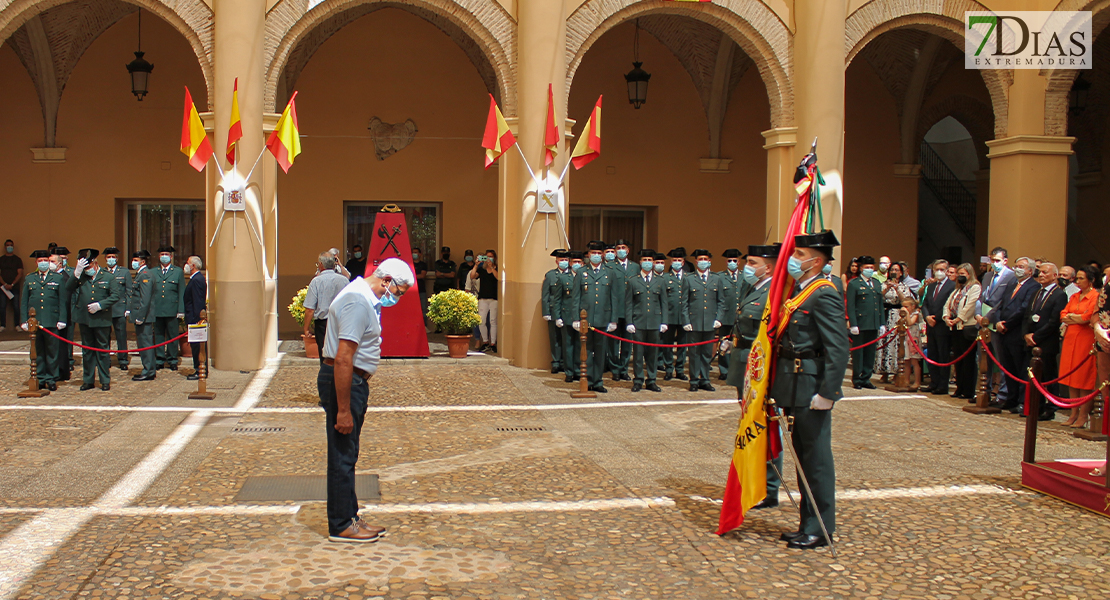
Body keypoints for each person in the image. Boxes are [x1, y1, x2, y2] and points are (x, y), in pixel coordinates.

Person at [319, 257, 413, 542]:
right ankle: (340, 524)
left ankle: (350, 516)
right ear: (386, 281)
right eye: (398, 292)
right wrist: (344, 410)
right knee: (342, 455)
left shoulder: (362, 299)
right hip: (346, 382)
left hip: (353, 381)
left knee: (349, 453)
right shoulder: (358, 303)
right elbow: (344, 358)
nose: (396, 298)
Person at [771, 230, 849, 550]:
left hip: (811, 386)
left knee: (816, 460)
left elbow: (838, 348)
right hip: (793, 384)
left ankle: (821, 527)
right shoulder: (801, 290)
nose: (792, 259)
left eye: (799, 255)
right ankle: (807, 522)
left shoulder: (824, 293)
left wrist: (828, 392)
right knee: (803, 458)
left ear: (816, 261)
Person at [726, 243, 782, 509]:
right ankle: (755, 483)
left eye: (751, 262)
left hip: (759, 367)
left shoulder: (774, 292)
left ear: (767, 267)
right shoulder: (753, 287)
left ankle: (769, 489)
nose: (746, 267)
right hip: (744, 364)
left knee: (764, 426)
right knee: (750, 425)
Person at [68, 249, 121, 391]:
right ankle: (88, 380)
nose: (87, 270)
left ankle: (105, 380)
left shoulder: (108, 277)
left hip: (101, 318)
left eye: (89, 267)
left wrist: (100, 305)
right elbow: (68, 288)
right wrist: (76, 273)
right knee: (87, 351)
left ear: (95, 263)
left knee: (103, 351)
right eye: (85, 268)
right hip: (85, 319)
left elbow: (115, 296)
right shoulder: (81, 277)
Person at [571, 241, 620, 393]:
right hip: (586, 320)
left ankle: (598, 381)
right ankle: (586, 379)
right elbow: (576, 297)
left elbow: (614, 298)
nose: (596, 256)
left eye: (599, 253)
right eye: (594, 253)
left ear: (603, 255)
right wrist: (575, 318)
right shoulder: (581, 272)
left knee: (600, 352)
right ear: (589, 255)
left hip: (603, 319)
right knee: (586, 350)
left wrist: (613, 319)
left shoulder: (610, 272)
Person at [990, 257, 1038, 412]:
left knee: (1020, 369)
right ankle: (1010, 398)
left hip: (1016, 331)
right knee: (1008, 367)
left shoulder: (1033, 286)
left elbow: (1024, 309)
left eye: (1022, 266)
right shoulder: (1012, 284)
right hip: (1003, 331)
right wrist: (997, 321)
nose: (1017, 269)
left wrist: (1007, 324)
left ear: (1030, 270)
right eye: (1016, 266)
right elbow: (1001, 305)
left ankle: (1021, 401)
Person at [1023, 262, 1068, 420]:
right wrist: (1026, 334)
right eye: (1040, 272)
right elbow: (1028, 315)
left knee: (1048, 376)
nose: (1041, 275)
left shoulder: (1059, 294)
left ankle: (1050, 407)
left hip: (1046, 342)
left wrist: (1036, 337)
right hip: (1031, 340)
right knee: (1035, 376)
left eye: (1045, 272)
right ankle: (1037, 406)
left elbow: (1054, 321)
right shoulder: (1037, 292)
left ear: (1054, 276)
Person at [1059, 265, 1100, 428]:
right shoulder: (1075, 296)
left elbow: (1088, 317)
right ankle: (1073, 414)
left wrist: (1074, 318)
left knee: (1083, 380)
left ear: (1091, 280)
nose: (1078, 281)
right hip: (1071, 339)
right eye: (1077, 278)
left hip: (1085, 339)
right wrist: (1074, 317)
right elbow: (1063, 314)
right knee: (1071, 378)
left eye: (1081, 278)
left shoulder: (1095, 296)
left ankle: (1083, 415)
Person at [20, 250, 66, 390]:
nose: (43, 263)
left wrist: (62, 319)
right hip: (36, 322)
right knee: (37, 351)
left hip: (51, 319)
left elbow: (62, 301)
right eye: (40, 261)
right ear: (36, 263)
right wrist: (24, 320)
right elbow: (24, 301)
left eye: (46, 260)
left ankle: (51, 378)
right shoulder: (30, 278)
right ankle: (39, 377)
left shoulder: (57, 278)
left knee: (52, 351)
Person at [681, 249, 724, 392]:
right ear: (696, 261)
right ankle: (694, 380)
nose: (703, 261)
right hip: (694, 323)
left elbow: (721, 302)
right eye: (700, 259)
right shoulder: (688, 279)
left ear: (710, 261)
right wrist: (686, 321)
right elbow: (684, 302)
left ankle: (705, 380)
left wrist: (719, 319)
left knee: (706, 353)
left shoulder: (716, 279)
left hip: (710, 323)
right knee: (693, 353)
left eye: (706, 259)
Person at [626, 249, 668, 392]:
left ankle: (651, 380)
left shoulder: (660, 281)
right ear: (640, 262)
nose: (648, 263)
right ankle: (638, 380)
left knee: (653, 354)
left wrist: (664, 322)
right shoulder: (633, 280)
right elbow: (629, 303)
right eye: (645, 260)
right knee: (638, 354)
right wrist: (629, 322)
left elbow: (664, 303)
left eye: (650, 260)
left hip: (655, 322)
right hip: (638, 322)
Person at [304, 252, 351, 365]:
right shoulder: (344, 280)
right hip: (341, 322)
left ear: (320, 265)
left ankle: (327, 377)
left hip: (323, 323)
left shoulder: (316, 281)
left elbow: (310, 308)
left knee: (325, 355)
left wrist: (306, 328)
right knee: (341, 353)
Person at [944, 263, 981, 400]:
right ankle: (959, 388)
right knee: (958, 359)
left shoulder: (975, 287)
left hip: (966, 326)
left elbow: (970, 305)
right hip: (954, 326)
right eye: (958, 274)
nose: (960, 277)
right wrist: (947, 317)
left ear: (969, 274)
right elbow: (948, 304)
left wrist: (959, 318)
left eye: (963, 274)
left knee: (968, 361)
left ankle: (968, 390)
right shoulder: (957, 290)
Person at [846, 255, 883, 389]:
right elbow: (851, 305)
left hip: (873, 323)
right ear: (861, 269)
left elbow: (879, 305)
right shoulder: (854, 284)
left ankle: (866, 378)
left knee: (870, 352)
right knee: (859, 353)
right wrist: (853, 323)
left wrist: (882, 322)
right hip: (860, 323)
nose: (869, 270)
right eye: (867, 267)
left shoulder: (876, 283)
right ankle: (857, 379)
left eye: (871, 267)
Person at [921, 261, 955, 394]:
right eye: (937, 269)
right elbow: (924, 304)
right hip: (930, 325)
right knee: (932, 354)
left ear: (947, 271)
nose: (939, 272)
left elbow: (949, 305)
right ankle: (933, 382)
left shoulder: (952, 286)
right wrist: (927, 317)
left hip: (942, 325)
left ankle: (942, 384)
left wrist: (936, 318)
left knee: (943, 355)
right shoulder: (931, 286)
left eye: (942, 269)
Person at [151, 246, 186, 371]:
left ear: (171, 257)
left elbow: (182, 291)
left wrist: (181, 310)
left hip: (172, 309)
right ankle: (159, 359)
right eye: (162, 254)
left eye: (166, 254)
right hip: (158, 308)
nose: (164, 256)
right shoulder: (153, 272)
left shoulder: (177, 272)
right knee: (159, 335)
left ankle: (172, 359)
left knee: (172, 336)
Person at [876, 262, 910, 383]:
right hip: (884, 313)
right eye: (892, 269)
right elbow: (877, 297)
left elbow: (906, 300)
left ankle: (895, 372)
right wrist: (888, 288)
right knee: (883, 341)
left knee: (895, 343)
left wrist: (896, 288)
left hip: (896, 315)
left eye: (897, 270)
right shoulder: (883, 284)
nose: (894, 272)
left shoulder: (904, 286)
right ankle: (883, 371)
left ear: (901, 272)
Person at [605, 240, 634, 381]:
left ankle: (624, 369)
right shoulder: (609, 267)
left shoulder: (635, 267)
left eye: (624, 248)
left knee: (628, 343)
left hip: (630, 311)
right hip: (614, 311)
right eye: (618, 248)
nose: (621, 250)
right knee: (613, 344)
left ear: (628, 250)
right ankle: (615, 369)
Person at [659, 248, 689, 381]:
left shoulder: (689, 277)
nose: (677, 262)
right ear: (671, 262)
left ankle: (680, 369)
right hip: (669, 316)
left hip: (684, 317)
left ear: (683, 262)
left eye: (679, 260)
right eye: (674, 260)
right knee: (668, 344)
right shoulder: (665, 278)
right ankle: (669, 368)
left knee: (683, 345)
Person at [556, 251, 584, 382]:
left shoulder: (586, 277)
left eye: (579, 262)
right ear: (570, 263)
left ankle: (578, 370)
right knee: (568, 346)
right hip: (566, 316)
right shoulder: (563, 278)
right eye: (574, 262)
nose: (576, 264)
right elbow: (557, 299)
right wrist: (557, 316)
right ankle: (568, 372)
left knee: (580, 345)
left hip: (581, 317)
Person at [129, 251, 157, 381]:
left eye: (136, 260)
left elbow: (144, 299)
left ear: (143, 262)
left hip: (144, 317)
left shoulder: (146, 275)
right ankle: (148, 368)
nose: (133, 262)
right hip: (140, 315)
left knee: (145, 343)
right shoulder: (140, 274)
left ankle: (149, 370)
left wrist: (140, 316)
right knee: (142, 343)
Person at [102, 247, 132, 371]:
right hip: (106, 309)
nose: (111, 259)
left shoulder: (124, 272)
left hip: (120, 308)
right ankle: (106, 359)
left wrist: (128, 307)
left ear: (117, 258)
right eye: (108, 257)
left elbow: (129, 291)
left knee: (121, 335)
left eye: (113, 257)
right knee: (105, 335)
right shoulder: (102, 272)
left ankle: (123, 359)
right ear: (105, 259)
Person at [716, 249, 742, 381]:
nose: (732, 263)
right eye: (729, 260)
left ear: (738, 262)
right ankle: (724, 370)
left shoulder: (744, 276)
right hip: (725, 316)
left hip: (740, 317)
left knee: (739, 344)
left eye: (734, 260)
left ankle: (736, 370)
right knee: (724, 344)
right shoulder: (720, 277)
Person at [542, 249, 568, 374]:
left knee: (567, 337)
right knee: (555, 338)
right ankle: (556, 362)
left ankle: (565, 362)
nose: (564, 262)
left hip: (567, 311)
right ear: (557, 261)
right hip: (553, 311)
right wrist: (546, 312)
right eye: (561, 260)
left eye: (566, 260)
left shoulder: (573, 274)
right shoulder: (550, 275)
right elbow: (545, 295)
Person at [183, 256, 208, 380]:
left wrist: (197, 319)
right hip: (192, 317)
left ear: (193, 266)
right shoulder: (196, 279)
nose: (186, 266)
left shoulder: (197, 280)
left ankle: (200, 369)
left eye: (188, 263)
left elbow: (198, 301)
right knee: (195, 346)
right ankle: (198, 368)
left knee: (198, 346)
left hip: (195, 318)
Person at [52, 246, 75, 379]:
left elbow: (65, 298)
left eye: (52, 261)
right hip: (54, 315)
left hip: (63, 314)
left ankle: (62, 370)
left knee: (62, 344)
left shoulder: (65, 277)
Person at [470, 249, 499, 352]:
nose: (488, 259)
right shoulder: (482, 270)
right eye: (486, 257)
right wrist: (476, 265)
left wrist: (492, 267)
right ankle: (485, 341)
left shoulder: (497, 269)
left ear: (494, 258)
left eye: (490, 257)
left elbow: (498, 277)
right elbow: (472, 276)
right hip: (483, 298)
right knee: (481, 321)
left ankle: (493, 343)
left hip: (494, 299)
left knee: (493, 321)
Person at [0, 239, 23, 332]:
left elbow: (20, 273)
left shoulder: (17, 259)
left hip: (15, 287)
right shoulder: (1, 259)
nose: (9, 247)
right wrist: (5, 284)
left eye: (11, 245)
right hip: (3, 288)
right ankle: (2, 325)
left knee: (16, 306)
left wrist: (12, 284)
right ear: (5, 247)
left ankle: (17, 325)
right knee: (2, 306)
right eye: (8, 245)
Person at [902, 297, 924, 390]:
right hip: (905, 338)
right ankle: (906, 380)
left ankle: (917, 382)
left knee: (914, 361)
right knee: (906, 361)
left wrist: (906, 314)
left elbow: (910, 322)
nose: (904, 308)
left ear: (913, 306)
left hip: (913, 339)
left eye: (906, 307)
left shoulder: (916, 314)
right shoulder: (903, 315)